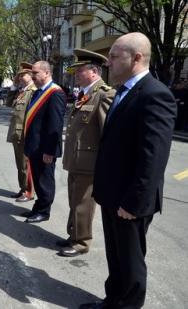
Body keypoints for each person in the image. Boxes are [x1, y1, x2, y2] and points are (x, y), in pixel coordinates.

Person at [79, 33, 177, 309]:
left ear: (136, 58)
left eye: (114, 56)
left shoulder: (155, 94)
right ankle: (113, 300)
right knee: (116, 256)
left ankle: (128, 305)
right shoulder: (123, 91)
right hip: (112, 195)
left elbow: (153, 158)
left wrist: (134, 202)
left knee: (131, 261)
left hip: (130, 200)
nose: (108, 62)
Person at [58, 49, 115, 257]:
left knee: (83, 203)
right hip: (77, 159)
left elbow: (108, 132)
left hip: (89, 162)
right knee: (74, 200)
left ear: (93, 71)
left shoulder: (104, 94)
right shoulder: (85, 93)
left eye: (79, 71)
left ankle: (81, 242)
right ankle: (73, 234)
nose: (76, 74)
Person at [22, 61, 66, 224]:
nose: (32, 76)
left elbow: (55, 125)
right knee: (38, 180)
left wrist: (50, 151)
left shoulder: (55, 93)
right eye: (32, 73)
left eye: (36, 73)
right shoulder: (38, 92)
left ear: (47, 73)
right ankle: (38, 206)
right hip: (35, 146)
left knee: (45, 181)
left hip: (44, 148)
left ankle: (44, 211)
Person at [6, 62, 36, 203]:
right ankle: (23, 188)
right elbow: (8, 103)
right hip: (16, 133)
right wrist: (13, 86)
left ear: (30, 75)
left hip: (24, 134)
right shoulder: (22, 91)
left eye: (22, 75)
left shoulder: (33, 91)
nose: (19, 78)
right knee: (20, 164)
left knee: (25, 165)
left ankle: (29, 191)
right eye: (18, 76)